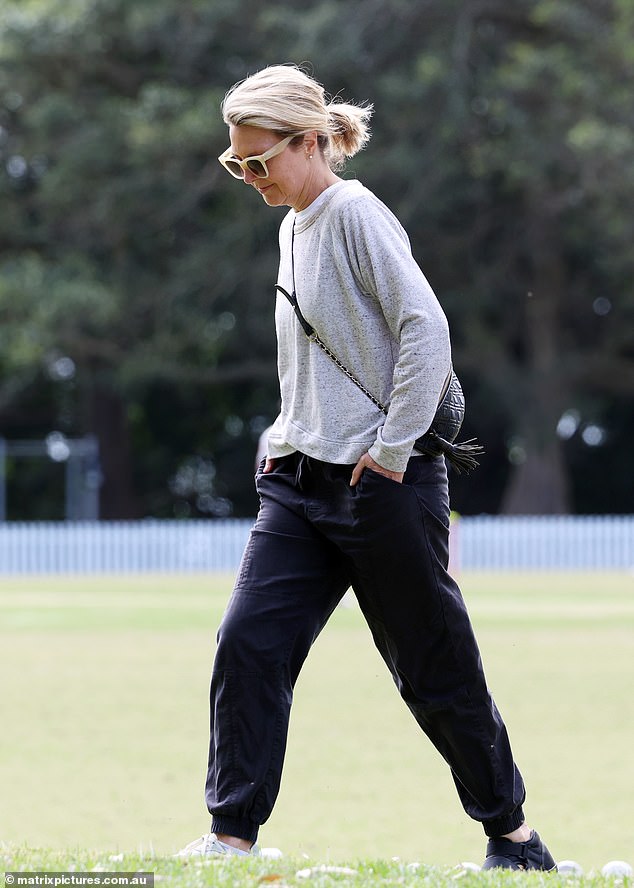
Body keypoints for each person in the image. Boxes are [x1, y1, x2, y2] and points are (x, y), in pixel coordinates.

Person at [177, 64, 556, 871]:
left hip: (382, 484)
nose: (249, 178)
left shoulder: (354, 212)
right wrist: (284, 432)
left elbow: (426, 328)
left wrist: (388, 451)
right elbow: (310, 355)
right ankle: (229, 836)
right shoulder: (289, 225)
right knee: (248, 644)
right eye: (236, 164)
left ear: (310, 142)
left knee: (432, 668)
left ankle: (513, 837)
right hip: (298, 481)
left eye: (259, 162)